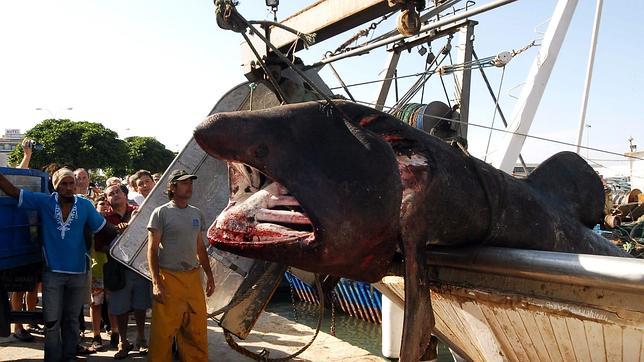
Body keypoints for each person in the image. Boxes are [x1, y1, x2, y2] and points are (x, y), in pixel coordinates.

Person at [0, 168, 114, 361]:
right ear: (56, 185)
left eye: (71, 183)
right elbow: (13, 191)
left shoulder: (85, 205)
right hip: (52, 272)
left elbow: (105, 228)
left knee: (71, 321)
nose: (68, 188)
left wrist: (130, 231)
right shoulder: (44, 202)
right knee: (51, 322)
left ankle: (69, 356)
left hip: (78, 272)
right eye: (64, 184)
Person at [147, 170, 214, 361]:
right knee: (163, 332)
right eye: (184, 183)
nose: (189, 186)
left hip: (193, 278)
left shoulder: (196, 213)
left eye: (190, 183)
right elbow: (152, 250)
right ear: (172, 187)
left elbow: (200, 248)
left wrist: (209, 275)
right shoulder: (161, 213)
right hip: (169, 277)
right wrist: (156, 282)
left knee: (196, 328)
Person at [99, 184, 152, 359]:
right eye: (111, 194)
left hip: (139, 267)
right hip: (117, 270)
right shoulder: (105, 219)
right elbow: (100, 245)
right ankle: (123, 341)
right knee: (119, 307)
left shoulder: (139, 211)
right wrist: (117, 238)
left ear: (125, 194)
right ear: (106, 199)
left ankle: (141, 339)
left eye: (118, 192)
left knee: (140, 304)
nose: (115, 195)